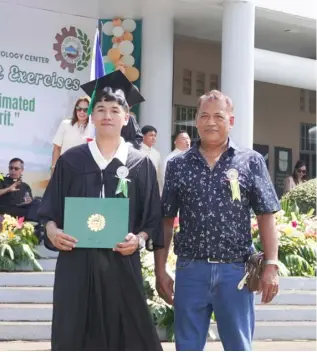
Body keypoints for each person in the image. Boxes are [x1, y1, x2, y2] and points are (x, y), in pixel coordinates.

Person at [38, 70, 163, 351]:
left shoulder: (140, 165)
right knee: (74, 333)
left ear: (126, 117)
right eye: (101, 109)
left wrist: (139, 239)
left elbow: (152, 219)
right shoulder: (71, 161)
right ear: (91, 117)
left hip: (121, 263)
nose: (107, 115)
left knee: (129, 334)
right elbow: (49, 212)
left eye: (114, 109)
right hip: (76, 265)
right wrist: (52, 231)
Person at [155, 90, 281, 351]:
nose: (211, 122)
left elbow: (266, 215)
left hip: (235, 273)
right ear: (196, 121)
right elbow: (166, 219)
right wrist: (160, 269)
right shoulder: (178, 165)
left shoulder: (250, 161)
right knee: (187, 346)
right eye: (204, 116)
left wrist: (271, 265)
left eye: (218, 116)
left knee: (238, 346)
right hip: (191, 272)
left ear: (230, 121)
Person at [51, 96, 90, 174]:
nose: (82, 112)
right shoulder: (65, 124)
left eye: (85, 110)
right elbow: (57, 148)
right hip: (65, 169)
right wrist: (54, 167)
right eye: (79, 109)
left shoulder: (93, 128)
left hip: (83, 172)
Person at [140, 125, 163, 191]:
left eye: (155, 136)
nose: (153, 138)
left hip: (153, 188)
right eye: (151, 135)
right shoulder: (137, 151)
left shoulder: (156, 153)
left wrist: (160, 191)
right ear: (143, 136)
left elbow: (159, 175)